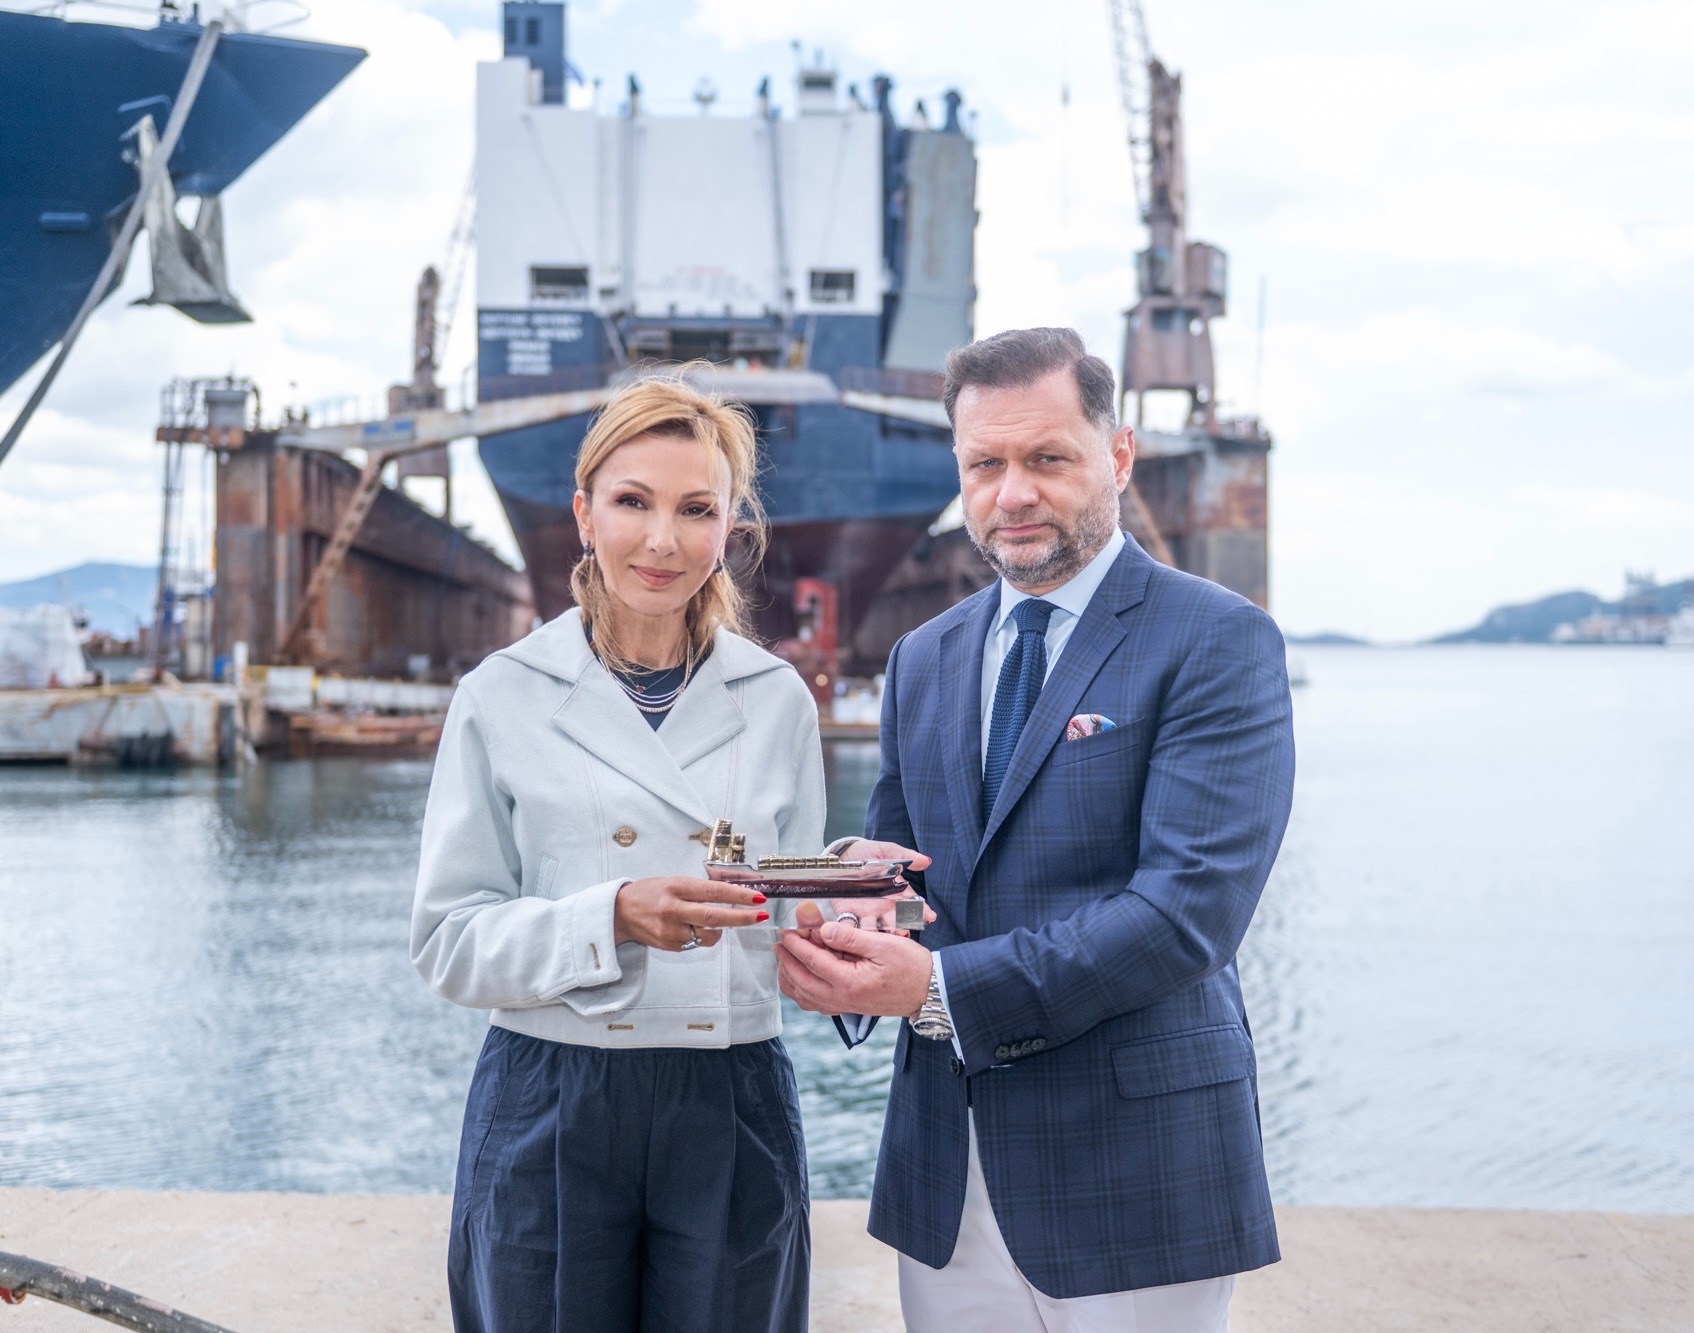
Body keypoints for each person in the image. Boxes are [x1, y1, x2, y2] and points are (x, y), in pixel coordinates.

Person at [777, 327, 1296, 1332]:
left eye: (1047, 457)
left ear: (1118, 454)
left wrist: (935, 988)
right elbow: (910, 876)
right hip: (944, 1170)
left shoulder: (1218, 639)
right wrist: (843, 898)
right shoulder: (923, 657)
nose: (1012, 493)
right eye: (984, 465)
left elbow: (1186, 914)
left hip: (1136, 1175)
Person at [411, 373, 825, 1333]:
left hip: (730, 1092)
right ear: (584, 515)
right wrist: (612, 917)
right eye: (633, 501)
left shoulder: (777, 700)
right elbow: (446, 941)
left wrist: (851, 890)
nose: (662, 540)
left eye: (696, 509)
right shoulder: (503, 693)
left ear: (729, 529)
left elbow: (794, 912)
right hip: (552, 1094)